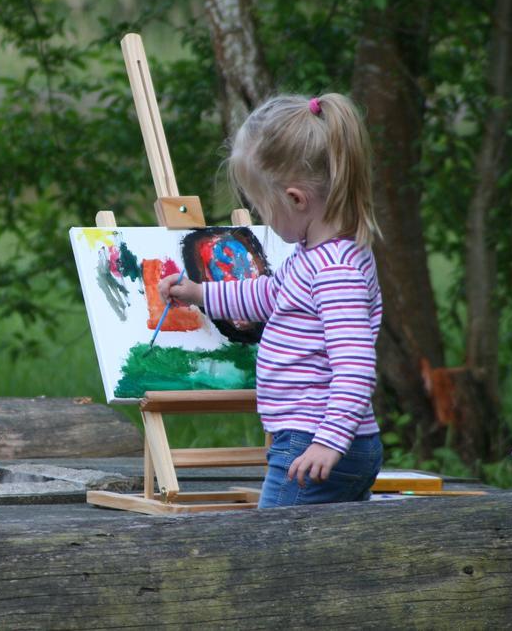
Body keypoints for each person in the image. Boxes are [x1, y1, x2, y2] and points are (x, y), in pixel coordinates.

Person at [159, 93, 383, 508]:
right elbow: (267, 294)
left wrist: (327, 444)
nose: (263, 221)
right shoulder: (317, 256)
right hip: (324, 441)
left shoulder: (335, 271)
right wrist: (199, 293)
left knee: (272, 558)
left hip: (314, 442)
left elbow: (355, 367)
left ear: (297, 199)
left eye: (263, 209)